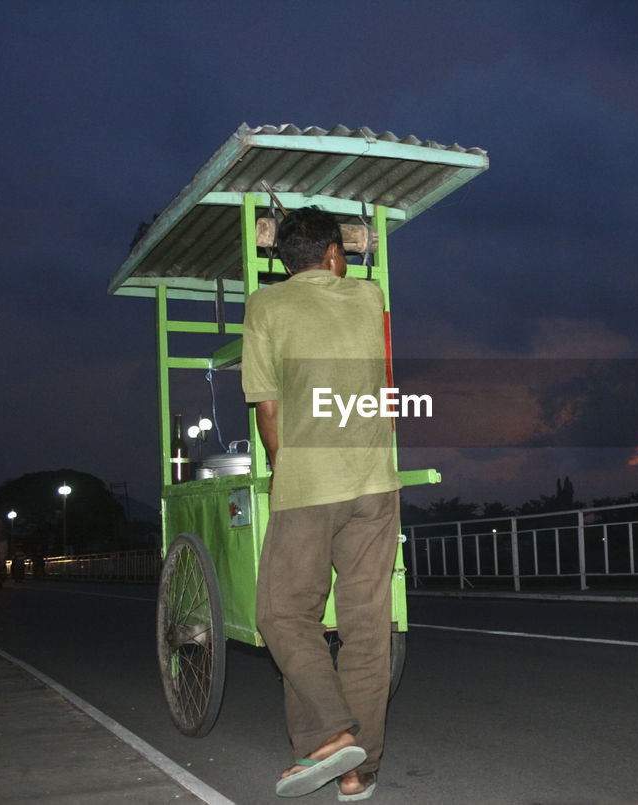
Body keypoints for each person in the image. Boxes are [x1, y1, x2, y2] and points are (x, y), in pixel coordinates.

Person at [242, 207, 401, 801]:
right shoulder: (367, 296)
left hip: (310, 485)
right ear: (335, 255)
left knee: (284, 616)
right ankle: (357, 770)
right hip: (375, 486)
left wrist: (289, 471)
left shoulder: (266, 306)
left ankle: (335, 735)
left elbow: (268, 408)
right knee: (365, 628)